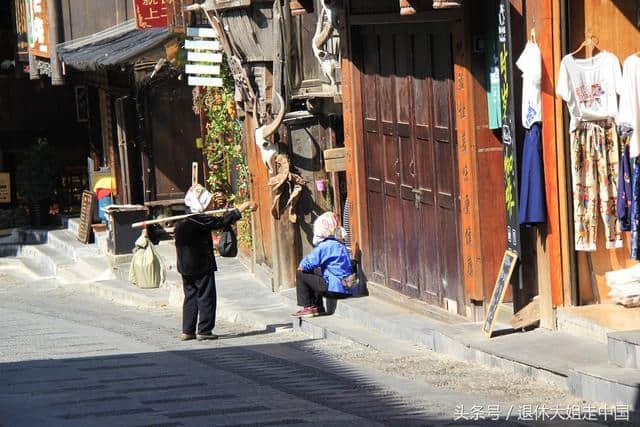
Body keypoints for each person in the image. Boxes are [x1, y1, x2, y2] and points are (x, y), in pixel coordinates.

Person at [175, 184, 256, 341]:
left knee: (190, 296)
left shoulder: (182, 221)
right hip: (201, 266)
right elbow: (222, 222)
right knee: (206, 296)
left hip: (185, 267)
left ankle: (188, 330)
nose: (212, 204)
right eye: (209, 201)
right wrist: (244, 206)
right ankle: (204, 330)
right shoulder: (200, 220)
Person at [292, 212, 354, 317]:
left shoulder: (325, 246)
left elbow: (309, 262)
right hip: (345, 286)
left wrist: (301, 266)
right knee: (316, 270)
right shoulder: (339, 244)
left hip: (334, 289)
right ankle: (317, 307)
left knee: (301, 273)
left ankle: (309, 306)